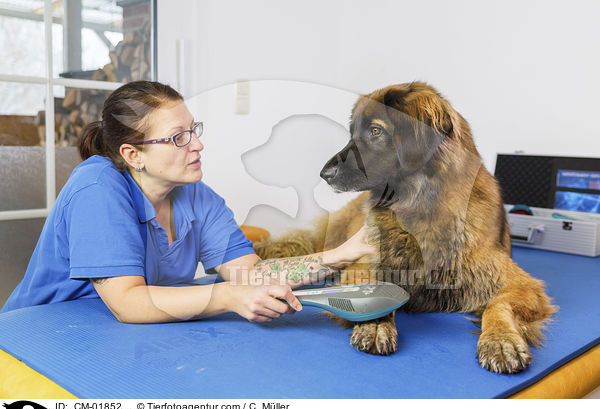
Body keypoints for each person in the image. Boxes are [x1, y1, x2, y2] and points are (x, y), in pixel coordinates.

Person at [1, 81, 374, 323]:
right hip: (39, 337)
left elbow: (250, 274)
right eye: (177, 137)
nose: (197, 144)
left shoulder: (197, 197)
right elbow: (129, 303)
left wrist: (342, 253)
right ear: (133, 155)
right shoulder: (96, 187)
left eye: (193, 130)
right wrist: (229, 296)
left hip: (119, 337)